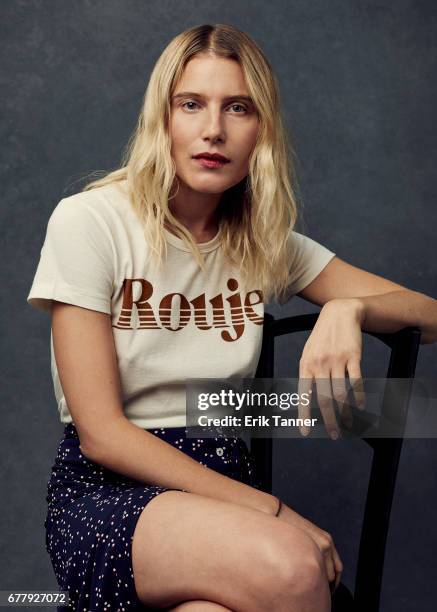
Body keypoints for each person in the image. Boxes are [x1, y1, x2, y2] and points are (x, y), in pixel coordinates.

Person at [27, 22, 437, 612]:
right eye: (191, 104)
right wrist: (271, 510)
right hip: (113, 491)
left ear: (260, 131)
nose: (213, 130)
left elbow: (428, 316)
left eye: (237, 108)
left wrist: (349, 307)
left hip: (222, 478)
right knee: (294, 569)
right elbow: (101, 433)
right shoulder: (92, 221)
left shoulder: (265, 241)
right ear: (162, 119)